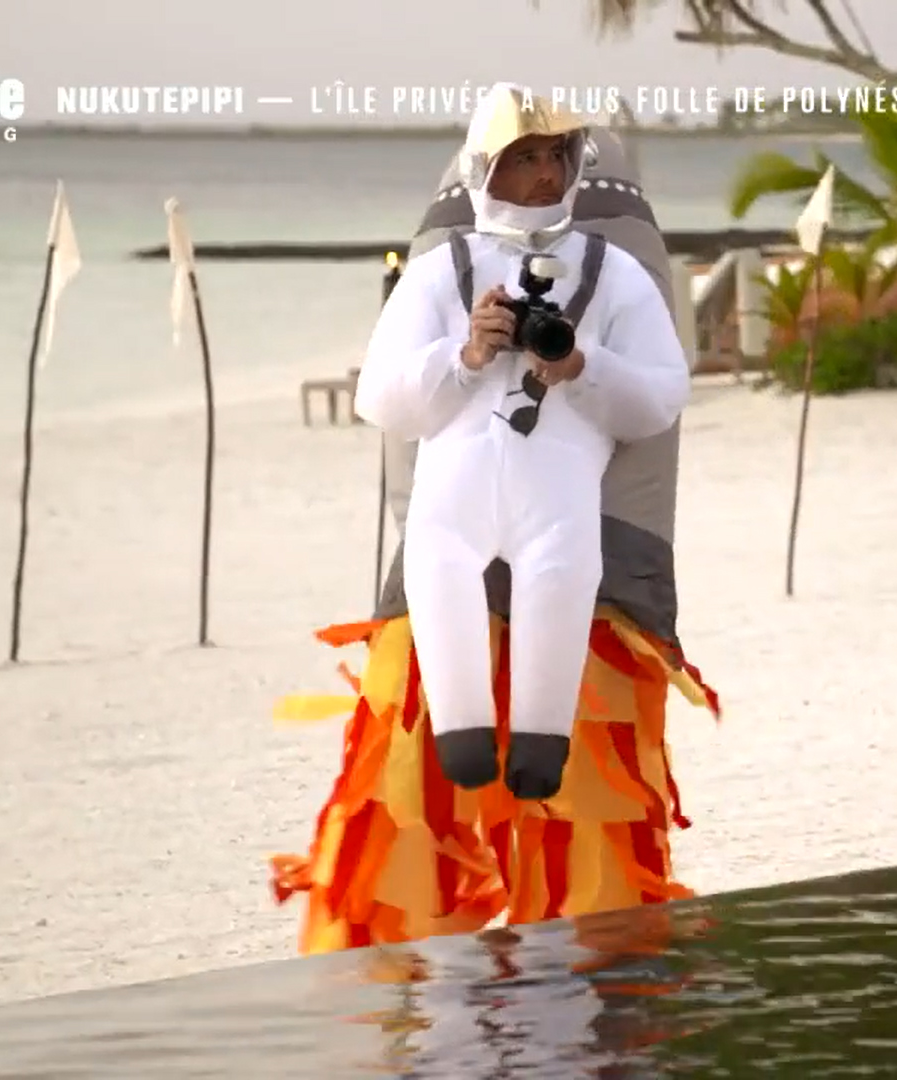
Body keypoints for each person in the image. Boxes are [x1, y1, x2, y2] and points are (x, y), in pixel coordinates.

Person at [269, 84, 721, 952]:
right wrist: (467, 351)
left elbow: (658, 400)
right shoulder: (446, 264)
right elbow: (385, 398)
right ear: (488, 168)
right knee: (430, 758)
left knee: (583, 775)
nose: (543, 172)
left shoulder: (615, 267)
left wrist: (579, 365)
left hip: (585, 539)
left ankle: (585, 944)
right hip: (454, 527)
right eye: (524, 157)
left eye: (556, 157)